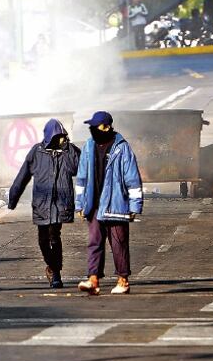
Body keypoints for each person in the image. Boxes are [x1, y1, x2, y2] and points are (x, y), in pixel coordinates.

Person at [74, 111, 143, 296]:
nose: (93, 130)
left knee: (119, 243)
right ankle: (93, 280)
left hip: (116, 205)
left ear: (106, 127)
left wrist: (135, 205)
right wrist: (80, 204)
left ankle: (123, 280)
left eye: (96, 126)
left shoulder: (122, 148)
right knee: (94, 243)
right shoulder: (88, 147)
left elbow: (132, 178)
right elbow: (81, 178)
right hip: (94, 205)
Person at [7, 119, 81, 289]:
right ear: (50, 137)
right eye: (59, 136)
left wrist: (69, 147)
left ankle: (56, 274)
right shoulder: (37, 152)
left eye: (64, 136)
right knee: (42, 240)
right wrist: (13, 197)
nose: (63, 139)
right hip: (42, 203)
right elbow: (23, 175)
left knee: (55, 236)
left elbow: (79, 168)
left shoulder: (68, 152)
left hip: (61, 203)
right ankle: (52, 265)